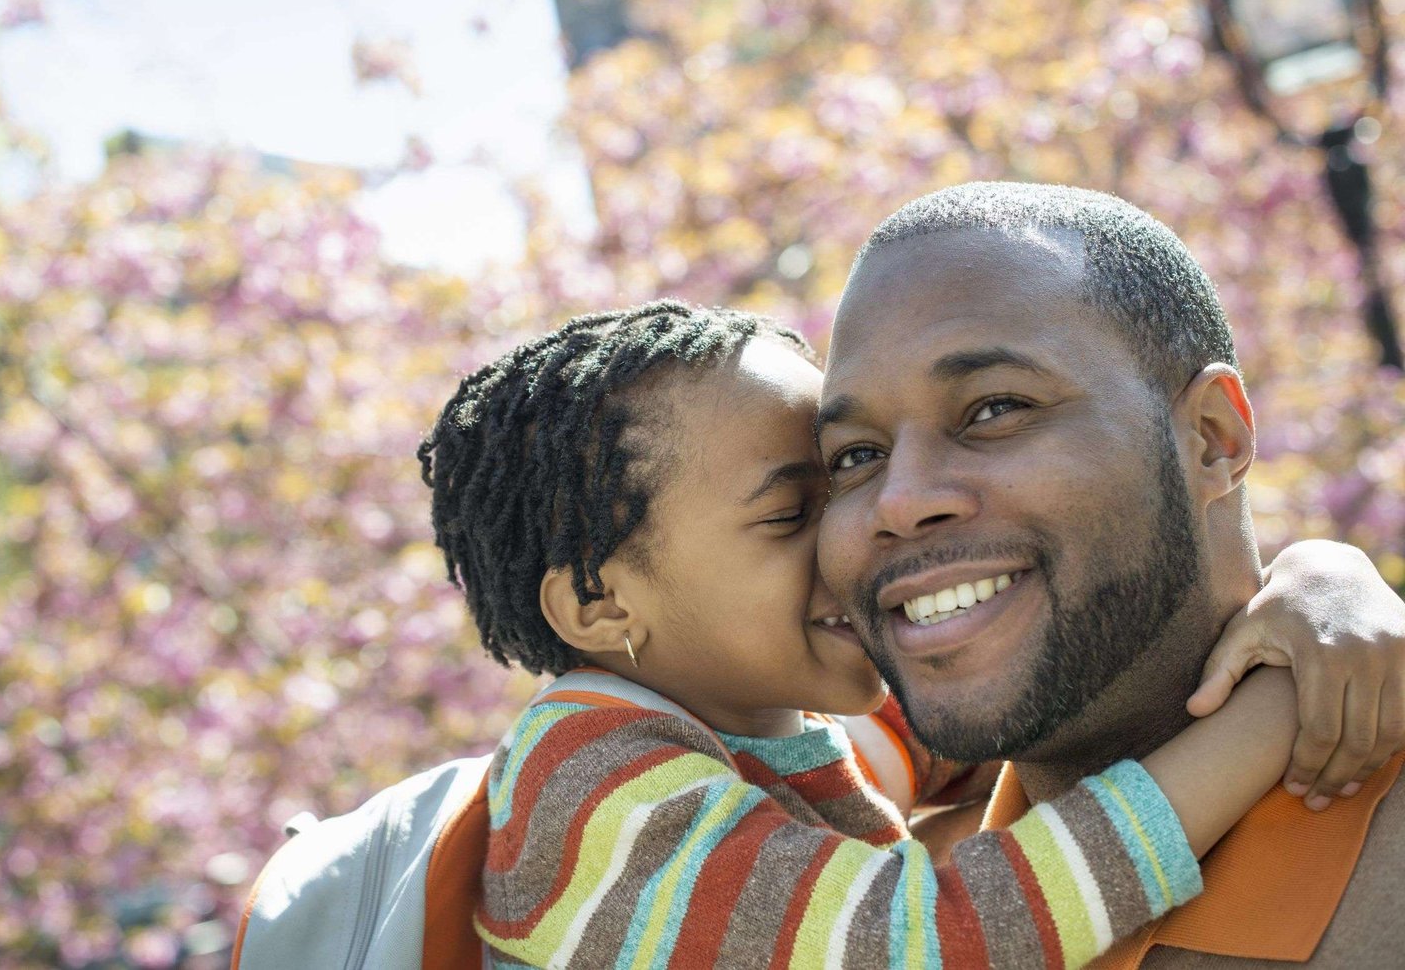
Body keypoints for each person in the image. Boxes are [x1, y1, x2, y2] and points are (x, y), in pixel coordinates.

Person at [418, 300, 1403, 967]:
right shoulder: (593, 789)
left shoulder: (753, 740)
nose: (861, 530)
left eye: (847, 471)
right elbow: (936, 938)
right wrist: (1276, 710)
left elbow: (970, 715)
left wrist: (1317, 581)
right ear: (599, 606)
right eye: (788, 512)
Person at [817, 181, 1405, 966]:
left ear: (1212, 439)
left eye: (994, 408)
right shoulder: (877, 918)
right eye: (855, 456)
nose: (901, 501)